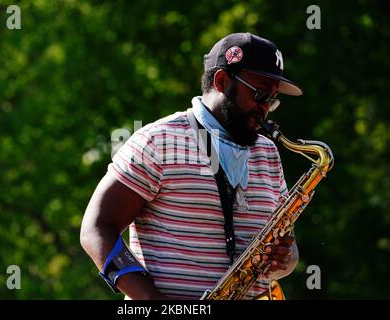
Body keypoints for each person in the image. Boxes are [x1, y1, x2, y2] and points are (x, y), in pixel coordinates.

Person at [80, 32, 301, 300]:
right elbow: (96, 229)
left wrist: (284, 258)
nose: (265, 108)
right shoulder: (158, 141)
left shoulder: (268, 154)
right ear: (222, 81)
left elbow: (290, 257)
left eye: (273, 99)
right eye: (260, 94)